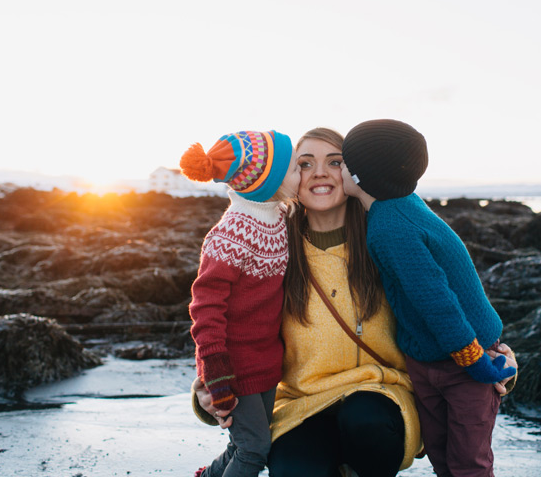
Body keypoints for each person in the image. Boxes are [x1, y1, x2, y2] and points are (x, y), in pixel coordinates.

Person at [193, 127, 517, 477]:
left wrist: (493, 359)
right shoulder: (270, 246)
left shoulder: (387, 238)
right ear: (285, 178)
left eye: (335, 162)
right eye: (304, 163)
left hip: (381, 396)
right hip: (302, 405)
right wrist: (206, 389)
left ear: (354, 174)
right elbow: (226, 319)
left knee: (367, 421)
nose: (319, 172)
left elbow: (446, 303)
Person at [340, 118, 517, 477]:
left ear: (361, 177)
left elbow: (437, 302)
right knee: (441, 453)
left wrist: (478, 363)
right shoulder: (399, 203)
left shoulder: (391, 227)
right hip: (428, 359)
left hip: (464, 360)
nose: (337, 167)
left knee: (469, 462)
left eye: (342, 161)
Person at [179, 129, 300, 477]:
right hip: (235, 368)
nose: (301, 174)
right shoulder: (229, 235)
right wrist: (215, 374)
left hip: (266, 361)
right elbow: (205, 308)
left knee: (242, 443)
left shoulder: (278, 216)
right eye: (294, 168)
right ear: (268, 181)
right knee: (253, 450)